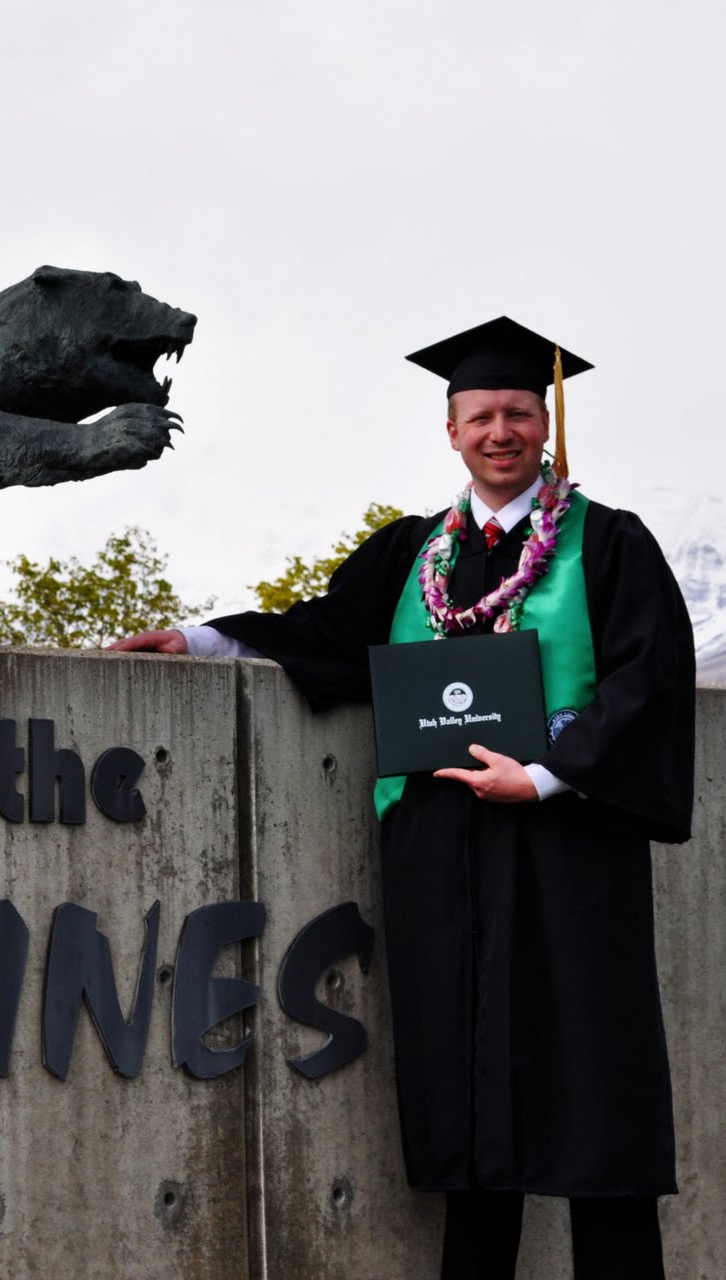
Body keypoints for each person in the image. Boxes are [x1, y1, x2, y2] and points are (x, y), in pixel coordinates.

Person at [111, 317, 693, 1280]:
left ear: (544, 425)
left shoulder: (611, 544)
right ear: (451, 430)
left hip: (568, 848)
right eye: (481, 416)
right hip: (444, 854)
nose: (500, 432)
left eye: (518, 413)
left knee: (596, 1081)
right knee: (466, 1090)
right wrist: (200, 640)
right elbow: (330, 634)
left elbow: (648, 682)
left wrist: (545, 776)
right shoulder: (414, 553)